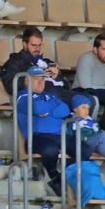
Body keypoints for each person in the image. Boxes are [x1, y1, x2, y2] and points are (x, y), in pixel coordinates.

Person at [16, 67, 69, 197]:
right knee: (50, 150)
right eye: (36, 79)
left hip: (59, 135)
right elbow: (37, 108)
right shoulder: (22, 96)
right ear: (27, 81)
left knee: (84, 149)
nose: (40, 82)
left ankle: (64, 178)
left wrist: (49, 112)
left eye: (43, 79)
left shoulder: (48, 95)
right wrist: (54, 106)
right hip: (37, 137)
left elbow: (66, 109)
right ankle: (54, 176)